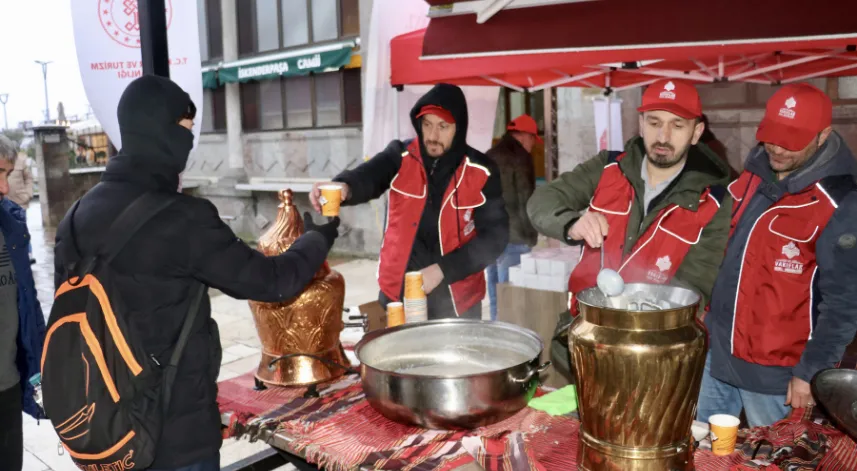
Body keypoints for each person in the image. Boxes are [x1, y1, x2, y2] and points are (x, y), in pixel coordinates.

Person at [53, 76, 340, 471]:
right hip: (175, 436)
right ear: (160, 130)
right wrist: (318, 236)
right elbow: (273, 282)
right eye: (185, 129)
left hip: (108, 429)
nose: (191, 141)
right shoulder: (181, 218)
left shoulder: (74, 218)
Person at [527, 79, 733, 381]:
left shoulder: (714, 202)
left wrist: (631, 330)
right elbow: (542, 201)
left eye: (677, 125)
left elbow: (696, 286)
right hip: (582, 338)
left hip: (652, 358)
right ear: (640, 124)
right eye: (654, 122)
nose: (663, 136)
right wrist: (572, 223)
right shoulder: (608, 168)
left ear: (696, 132)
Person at [697, 83, 857, 428]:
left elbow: (844, 303)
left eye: (792, 139)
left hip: (778, 380)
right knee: (705, 456)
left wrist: (811, 373)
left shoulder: (841, 203)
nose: (778, 148)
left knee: (777, 460)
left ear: (823, 135)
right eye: (772, 135)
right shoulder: (751, 179)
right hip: (717, 360)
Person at [311, 83, 509, 319]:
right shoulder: (400, 156)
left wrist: (442, 270)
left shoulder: (481, 171)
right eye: (427, 125)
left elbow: (495, 238)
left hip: (457, 301)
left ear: (459, 127)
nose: (433, 136)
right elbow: (370, 175)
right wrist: (344, 186)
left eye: (443, 127)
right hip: (399, 295)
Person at [0, 134, 45, 471]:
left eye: (8, 174)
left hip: (9, 383)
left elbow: (27, 306)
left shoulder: (12, 225)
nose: (4, 187)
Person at [484, 114, 540, 320]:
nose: (533, 145)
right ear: (525, 136)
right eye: (533, 139)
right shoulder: (521, 158)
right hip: (514, 238)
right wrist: (532, 237)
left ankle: (494, 336)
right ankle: (509, 345)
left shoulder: (489, 155)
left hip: (489, 237)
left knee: (496, 297)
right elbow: (527, 200)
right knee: (511, 298)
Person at [7, 151, 35, 263]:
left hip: (20, 202)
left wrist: (28, 194)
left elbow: (29, 178)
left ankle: (28, 254)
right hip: (3, 202)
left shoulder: (20, 160)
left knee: (21, 229)